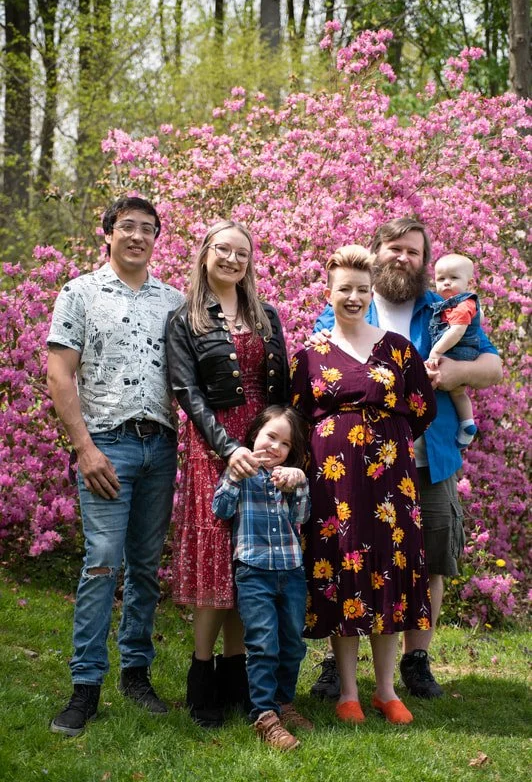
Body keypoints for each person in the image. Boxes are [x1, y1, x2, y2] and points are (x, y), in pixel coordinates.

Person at [311, 219, 502, 701]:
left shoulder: (446, 310)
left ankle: (416, 660)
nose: (403, 258)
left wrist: (455, 369)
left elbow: (493, 366)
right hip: (357, 464)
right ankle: (339, 664)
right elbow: (316, 364)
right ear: (376, 254)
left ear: (425, 261)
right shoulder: (348, 302)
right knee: (351, 551)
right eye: (394, 248)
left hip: (428, 456)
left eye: (414, 252)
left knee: (431, 556)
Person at [47, 196, 184, 736]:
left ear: (156, 240)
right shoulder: (78, 293)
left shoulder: (174, 301)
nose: (137, 236)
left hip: (162, 447)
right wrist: (84, 448)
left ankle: (136, 672)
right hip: (107, 446)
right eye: (127, 226)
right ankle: (85, 686)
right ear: (107, 234)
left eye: (147, 229)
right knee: (103, 561)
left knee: (146, 567)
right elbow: (61, 375)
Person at [291, 245, 437, 725]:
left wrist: (384, 442)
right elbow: (296, 418)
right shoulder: (310, 355)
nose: (352, 297)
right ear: (328, 293)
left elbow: (422, 408)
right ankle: (349, 692)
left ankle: (388, 691)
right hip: (335, 487)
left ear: (370, 291)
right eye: (343, 290)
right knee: (345, 574)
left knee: (390, 574)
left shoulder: (397, 347)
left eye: (360, 289)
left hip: (390, 482)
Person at [165, 221, 290, 728]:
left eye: (242, 253)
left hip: (262, 449)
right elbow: (186, 393)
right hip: (214, 449)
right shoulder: (185, 320)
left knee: (252, 565)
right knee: (216, 563)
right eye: (223, 250)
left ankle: (240, 677)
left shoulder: (267, 315)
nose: (232, 259)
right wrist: (227, 446)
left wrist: (276, 446)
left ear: (249, 262)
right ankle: (202, 681)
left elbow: (279, 391)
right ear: (205, 255)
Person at [213, 405, 312, 750]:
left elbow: (302, 515)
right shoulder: (240, 472)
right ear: (255, 434)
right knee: (263, 644)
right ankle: (265, 715)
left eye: (284, 443)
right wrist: (234, 476)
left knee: (292, 644)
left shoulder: (287, 478)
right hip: (254, 572)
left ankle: (285, 702)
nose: (274, 447)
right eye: (270, 436)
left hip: (291, 571)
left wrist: (299, 482)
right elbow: (221, 510)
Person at [427, 253, 481, 449]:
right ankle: (467, 424)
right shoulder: (457, 304)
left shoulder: (463, 303)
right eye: (441, 279)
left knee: (433, 381)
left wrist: (436, 352)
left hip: (457, 352)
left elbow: (457, 331)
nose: (447, 283)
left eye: (454, 278)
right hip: (460, 352)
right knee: (458, 393)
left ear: (470, 282)